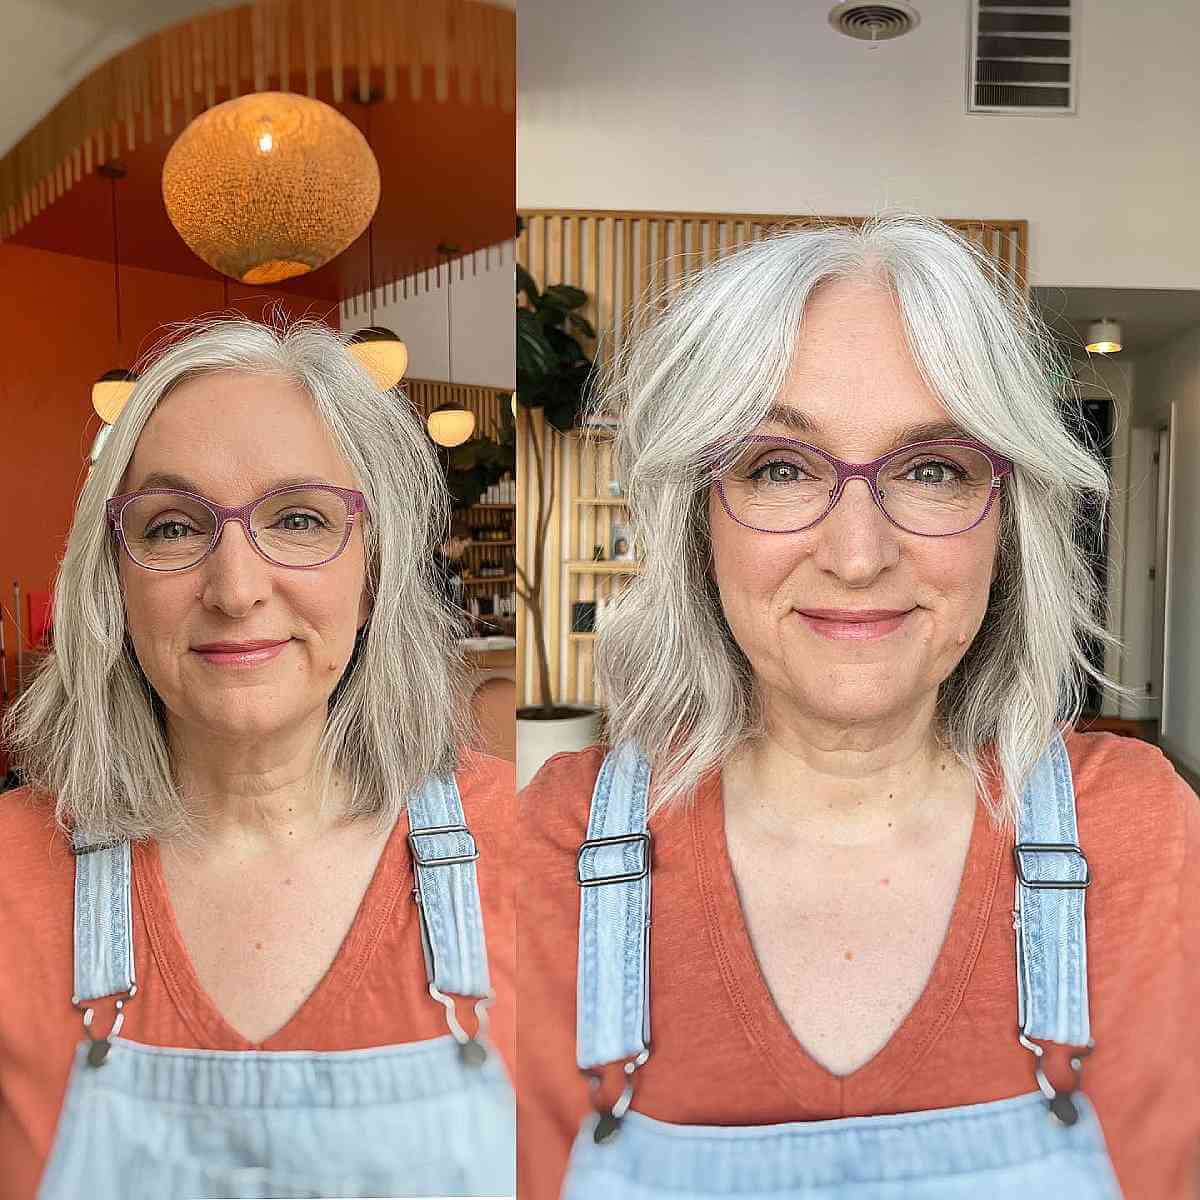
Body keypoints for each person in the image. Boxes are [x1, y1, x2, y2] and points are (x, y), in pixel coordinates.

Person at [517, 213, 1200, 1200]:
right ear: (694, 518)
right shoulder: (551, 849)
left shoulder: (1141, 838)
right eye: (781, 468)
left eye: (931, 470)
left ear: (1009, 522)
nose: (857, 555)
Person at [0, 317, 515, 1199]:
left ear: (375, 573)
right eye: (170, 528)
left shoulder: (548, 856)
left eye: (301, 518)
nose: (236, 590)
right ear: (113, 583)